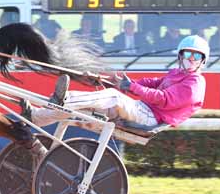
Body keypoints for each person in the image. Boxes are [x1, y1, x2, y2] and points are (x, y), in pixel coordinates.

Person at [21, 35, 208, 128]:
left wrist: (131, 88)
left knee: (113, 97)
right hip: (143, 109)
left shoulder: (194, 84)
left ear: (202, 60)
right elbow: (154, 83)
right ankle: (36, 117)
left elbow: (163, 99)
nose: (191, 59)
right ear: (180, 55)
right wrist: (123, 83)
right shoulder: (177, 73)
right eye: (188, 54)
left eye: (196, 56)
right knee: (83, 108)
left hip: (152, 118)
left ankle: (64, 99)